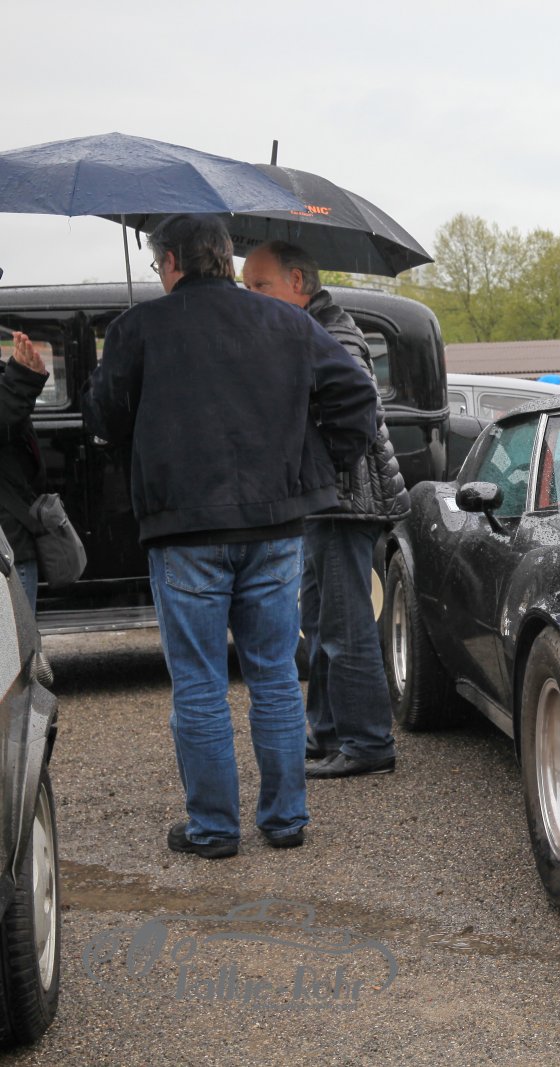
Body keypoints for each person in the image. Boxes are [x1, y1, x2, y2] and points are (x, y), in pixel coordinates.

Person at [85, 215, 377, 859]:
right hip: (274, 525)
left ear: (171, 262)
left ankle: (214, 828)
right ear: (223, 257)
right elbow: (356, 393)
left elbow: (102, 418)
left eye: (160, 263)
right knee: (274, 675)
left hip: (183, 528)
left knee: (198, 683)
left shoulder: (139, 327)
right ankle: (285, 820)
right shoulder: (288, 322)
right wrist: (321, 464)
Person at [242, 241, 409, 781]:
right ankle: (331, 732)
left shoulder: (330, 332)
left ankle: (368, 742)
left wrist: (327, 467)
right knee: (318, 621)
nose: (252, 297)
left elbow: (357, 402)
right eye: (247, 287)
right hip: (328, 501)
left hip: (343, 503)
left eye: (260, 286)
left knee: (344, 624)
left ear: (297, 281)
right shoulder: (307, 328)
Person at [0, 332, 50, 609]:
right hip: (8, 547)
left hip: (13, 540)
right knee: (15, 634)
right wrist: (22, 379)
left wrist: (23, 378)